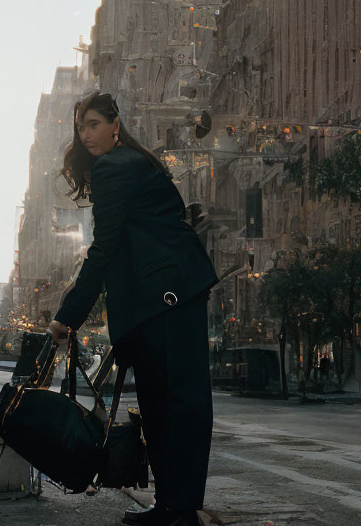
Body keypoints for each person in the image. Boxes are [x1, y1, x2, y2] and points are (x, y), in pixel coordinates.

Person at [49, 91, 218, 526]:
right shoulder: (134, 163)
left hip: (166, 297)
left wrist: (69, 314)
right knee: (165, 405)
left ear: (115, 123)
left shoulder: (113, 167)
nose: (86, 135)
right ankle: (171, 507)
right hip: (167, 295)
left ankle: (178, 510)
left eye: (93, 124)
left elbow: (103, 249)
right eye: (80, 127)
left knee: (176, 405)